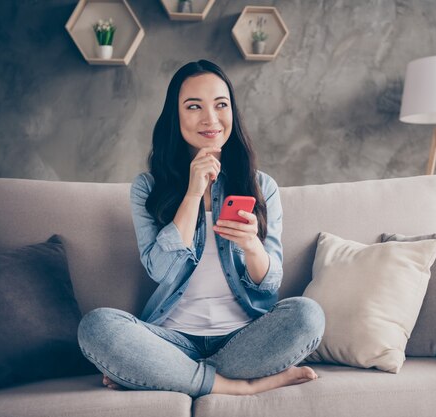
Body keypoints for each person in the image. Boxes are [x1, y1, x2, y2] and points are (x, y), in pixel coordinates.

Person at [77, 60, 325, 397]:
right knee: (97, 326)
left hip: (244, 337)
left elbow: (270, 284)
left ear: (232, 112)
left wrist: (252, 245)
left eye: (220, 105)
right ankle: (242, 387)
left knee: (308, 314)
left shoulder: (261, 186)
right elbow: (158, 269)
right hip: (171, 340)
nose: (210, 118)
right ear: (175, 116)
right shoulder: (148, 187)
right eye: (194, 106)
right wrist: (193, 193)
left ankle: (173, 376)